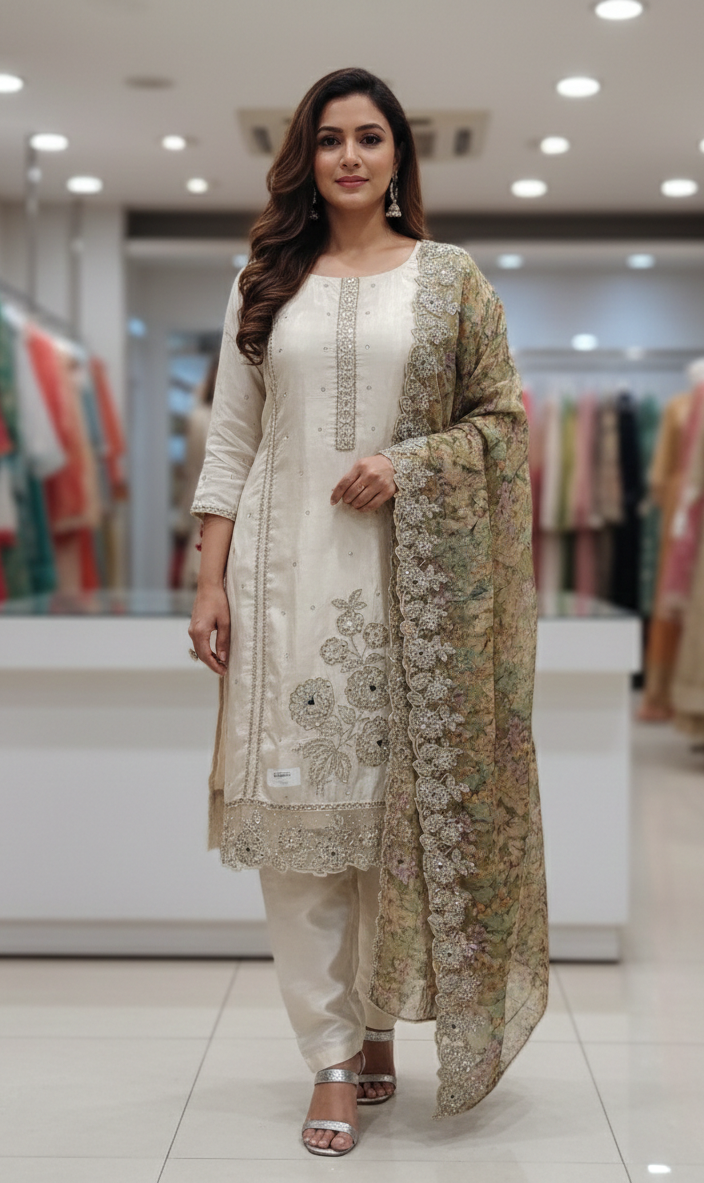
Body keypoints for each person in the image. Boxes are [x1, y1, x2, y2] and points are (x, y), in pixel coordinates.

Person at [188, 66, 548, 1158]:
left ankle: (380, 1020)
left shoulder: (448, 278)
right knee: (302, 832)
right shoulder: (263, 281)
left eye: (369, 138)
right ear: (306, 157)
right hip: (282, 588)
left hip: (410, 600)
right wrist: (209, 579)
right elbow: (230, 440)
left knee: (390, 831)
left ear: (397, 157)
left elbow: (502, 421)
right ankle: (332, 1058)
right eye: (330, 138)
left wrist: (409, 463)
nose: (349, 156)